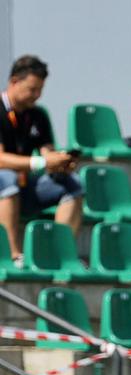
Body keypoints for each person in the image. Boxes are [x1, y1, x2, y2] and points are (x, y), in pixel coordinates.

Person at [0, 55, 82, 267]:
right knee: (6, 178)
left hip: (25, 188)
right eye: (32, 89)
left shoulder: (37, 115)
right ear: (14, 81)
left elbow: (47, 153)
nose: (36, 95)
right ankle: (12, 255)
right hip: (6, 186)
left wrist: (60, 163)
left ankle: (59, 254)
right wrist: (40, 163)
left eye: (40, 90)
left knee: (73, 183)